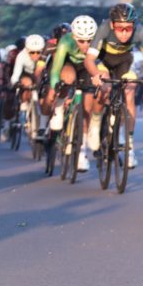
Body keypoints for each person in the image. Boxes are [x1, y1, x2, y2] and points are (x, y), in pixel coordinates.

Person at [85, 3, 143, 169]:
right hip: (104, 61)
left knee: (130, 90)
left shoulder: (140, 31)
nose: (124, 33)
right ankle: (95, 123)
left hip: (124, 62)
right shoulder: (104, 28)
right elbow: (89, 60)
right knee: (104, 86)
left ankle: (129, 147)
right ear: (112, 25)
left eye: (128, 28)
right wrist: (95, 75)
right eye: (119, 28)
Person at [42, 15, 98, 171]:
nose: (86, 45)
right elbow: (55, 70)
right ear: (74, 36)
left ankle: (81, 153)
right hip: (68, 64)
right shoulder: (66, 41)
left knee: (87, 108)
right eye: (81, 41)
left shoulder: (99, 41)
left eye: (89, 40)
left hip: (87, 67)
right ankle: (59, 108)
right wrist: (55, 86)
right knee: (66, 78)